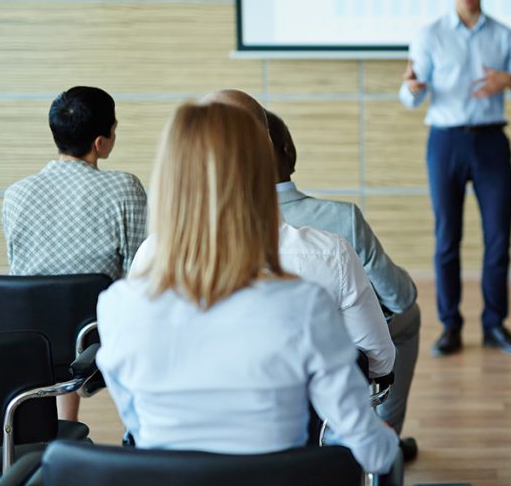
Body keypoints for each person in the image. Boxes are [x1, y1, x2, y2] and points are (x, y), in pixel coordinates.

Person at [97, 101, 397, 472]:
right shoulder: (305, 303)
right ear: (263, 170)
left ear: (169, 176)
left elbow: (136, 429)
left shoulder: (118, 305)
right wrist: (384, 440)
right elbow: (375, 449)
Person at [131, 90, 396, 384]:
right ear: (266, 153)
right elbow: (377, 361)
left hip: (170, 429)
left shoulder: (149, 258)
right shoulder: (329, 255)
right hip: (295, 426)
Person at [399, 0, 511, 357]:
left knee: (497, 240)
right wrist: (412, 88)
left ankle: (495, 324)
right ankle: (450, 326)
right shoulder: (430, 35)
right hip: (445, 141)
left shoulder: (505, 36)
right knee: (447, 239)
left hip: (491, 141)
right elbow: (408, 97)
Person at [268, 110, 421, 460]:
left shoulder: (177, 245)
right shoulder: (340, 220)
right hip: (330, 366)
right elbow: (400, 296)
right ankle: (385, 439)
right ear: (288, 150)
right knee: (408, 317)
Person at [2, 85, 147, 421]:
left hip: (31, 337)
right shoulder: (124, 188)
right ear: (100, 143)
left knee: (59, 314)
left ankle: (62, 425)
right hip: (97, 331)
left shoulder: (16, 194)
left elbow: (23, 275)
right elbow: (138, 274)